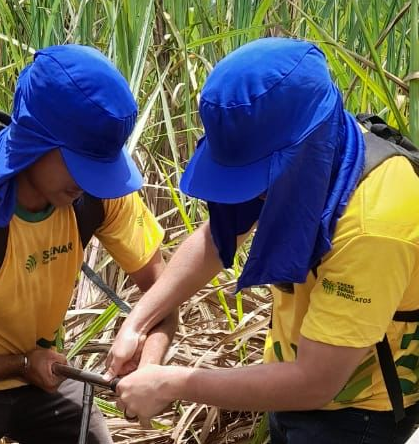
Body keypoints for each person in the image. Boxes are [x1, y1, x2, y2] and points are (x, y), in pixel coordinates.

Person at [104, 37, 419, 443]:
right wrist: (139, 320)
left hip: (357, 416)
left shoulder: (375, 223)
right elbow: (219, 237)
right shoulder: (320, 150)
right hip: (289, 383)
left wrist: (172, 383)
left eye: (257, 178)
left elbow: (315, 381)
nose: (254, 195)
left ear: (302, 151)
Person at [0, 44, 176, 444]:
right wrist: (22, 364)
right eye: (80, 165)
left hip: (44, 373)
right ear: (34, 141)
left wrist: (150, 364)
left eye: (100, 168)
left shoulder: (99, 192)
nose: (89, 182)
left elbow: (164, 292)